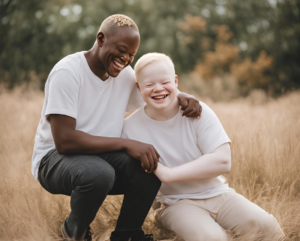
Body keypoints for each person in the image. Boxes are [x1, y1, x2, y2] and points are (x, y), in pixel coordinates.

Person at [32, 15, 202, 241]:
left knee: (150, 164)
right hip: (53, 159)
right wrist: (126, 143)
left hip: (100, 156)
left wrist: (182, 95)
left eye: (132, 55)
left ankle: (127, 235)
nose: (126, 59)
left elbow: (154, 93)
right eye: (122, 50)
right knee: (99, 174)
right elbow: (64, 141)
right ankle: (74, 232)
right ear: (100, 39)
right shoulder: (68, 72)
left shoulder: (124, 76)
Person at [122, 53, 285, 241]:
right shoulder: (129, 127)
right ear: (138, 87)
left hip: (218, 194)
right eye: (149, 84)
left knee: (268, 228)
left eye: (164, 82)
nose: (158, 89)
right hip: (174, 203)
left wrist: (169, 174)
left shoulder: (198, 111)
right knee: (212, 238)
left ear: (175, 81)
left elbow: (223, 161)